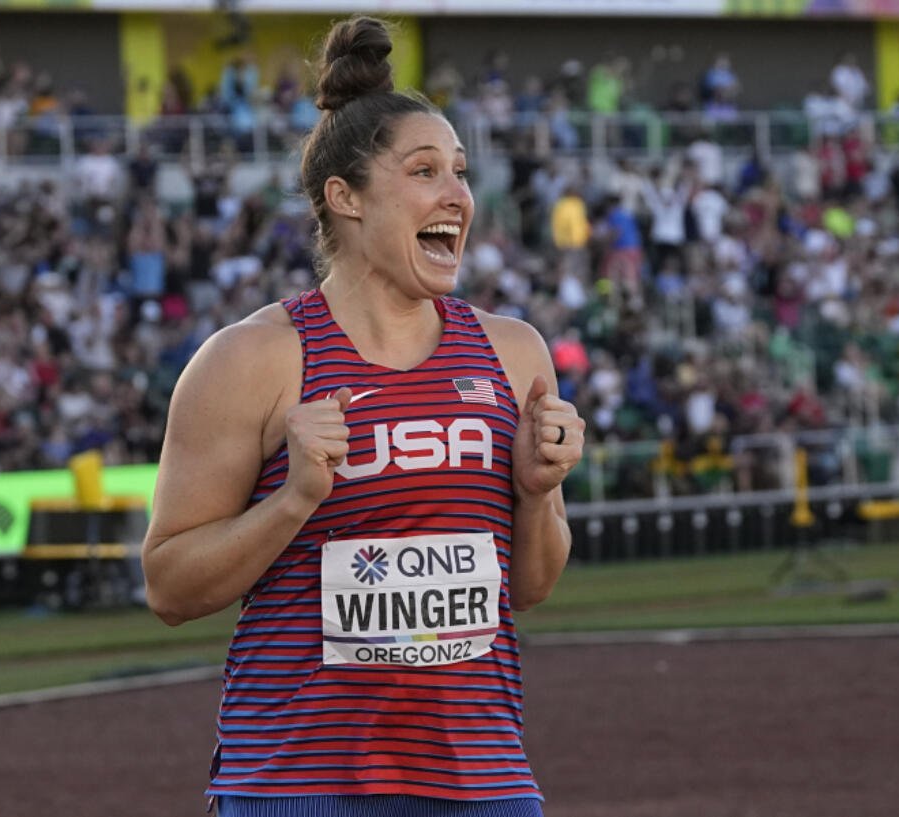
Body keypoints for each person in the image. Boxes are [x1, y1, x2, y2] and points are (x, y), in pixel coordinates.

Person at [141, 16, 584, 817]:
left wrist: (535, 490)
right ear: (344, 198)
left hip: (483, 779)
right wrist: (293, 499)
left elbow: (533, 584)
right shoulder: (252, 360)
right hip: (297, 784)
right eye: (424, 171)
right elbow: (169, 584)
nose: (457, 194)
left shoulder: (514, 354)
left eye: (459, 171)